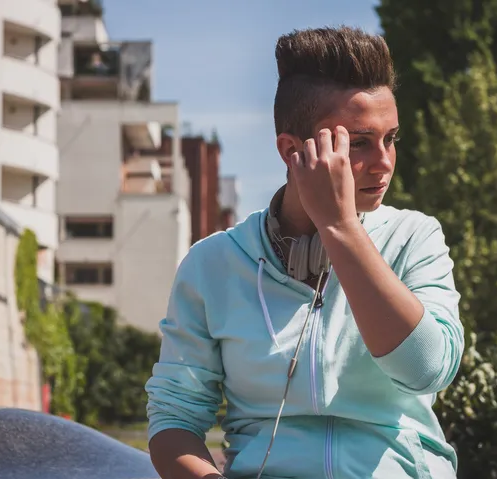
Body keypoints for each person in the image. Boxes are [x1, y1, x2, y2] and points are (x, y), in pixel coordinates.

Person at [145, 26, 464, 479]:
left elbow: (428, 369)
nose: (385, 161)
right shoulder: (212, 264)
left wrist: (341, 230)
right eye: (359, 143)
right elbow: (174, 421)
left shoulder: (415, 237)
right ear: (292, 151)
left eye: (391, 138)